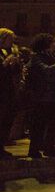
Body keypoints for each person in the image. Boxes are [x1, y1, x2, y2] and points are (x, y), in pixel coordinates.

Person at [25, 33, 55, 158]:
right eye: (52, 42)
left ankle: (49, 147)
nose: (54, 44)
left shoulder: (52, 56)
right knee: (39, 124)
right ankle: (34, 149)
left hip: (54, 95)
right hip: (42, 96)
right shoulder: (36, 57)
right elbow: (47, 71)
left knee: (53, 124)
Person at [0, 28, 21, 159]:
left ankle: (2, 146)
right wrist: (6, 62)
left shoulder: (10, 52)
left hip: (9, 91)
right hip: (2, 91)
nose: (11, 42)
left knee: (7, 121)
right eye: (9, 39)